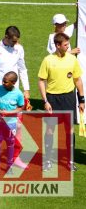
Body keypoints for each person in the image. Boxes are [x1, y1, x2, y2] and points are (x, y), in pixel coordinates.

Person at [38, 32, 85, 172]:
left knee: (69, 131)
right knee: (51, 130)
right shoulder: (48, 60)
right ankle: (47, 160)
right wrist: (45, 101)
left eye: (68, 44)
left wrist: (81, 99)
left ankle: (70, 161)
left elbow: (78, 80)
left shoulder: (72, 59)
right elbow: (41, 81)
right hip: (53, 99)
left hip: (69, 98)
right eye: (65, 45)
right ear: (58, 45)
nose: (68, 46)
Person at [0, 26, 31, 111]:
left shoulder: (19, 48)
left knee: (14, 123)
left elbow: (22, 69)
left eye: (17, 41)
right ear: (6, 37)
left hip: (14, 94)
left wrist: (26, 89)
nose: (16, 43)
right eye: (13, 41)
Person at [0, 71, 24, 174]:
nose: (3, 83)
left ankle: (9, 165)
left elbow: (21, 107)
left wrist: (9, 113)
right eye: (3, 80)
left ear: (13, 83)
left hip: (11, 123)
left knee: (10, 143)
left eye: (6, 82)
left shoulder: (18, 94)